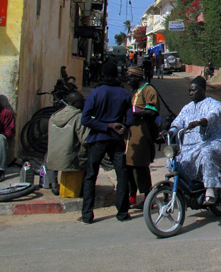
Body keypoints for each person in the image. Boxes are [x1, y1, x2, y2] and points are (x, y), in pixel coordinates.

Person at [80, 58, 132, 224]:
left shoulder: (96, 93)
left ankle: (87, 214)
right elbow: (129, 120)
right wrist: (119, 127)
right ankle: (122, 212)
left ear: (102, 74)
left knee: (91, 175)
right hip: (116, 139)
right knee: (121, 174)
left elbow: (85, 119)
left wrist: (106, 125)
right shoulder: (124, 93)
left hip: (97, 138)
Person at [170, 76, 221, 205]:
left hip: (211, 140)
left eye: (194, 90)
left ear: (203, 91)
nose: (191, 93)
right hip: (190, 145)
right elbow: (178, 121)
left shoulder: (212, 104)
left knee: (206, 151)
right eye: (189, 91)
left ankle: (210, 188)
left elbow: (216, 113)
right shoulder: (187, 107)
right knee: (174, 158)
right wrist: (171, 130)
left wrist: (202, 121)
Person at [124, 66, 160, 207]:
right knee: (129, 166)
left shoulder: (148, 90)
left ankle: (147, 198)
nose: (128, 81)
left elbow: (153, 112)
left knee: (140, 167)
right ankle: (132, 195)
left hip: (143, 134)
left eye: (130, 78)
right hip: (131, 135)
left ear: (136, 78)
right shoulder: (136, 92)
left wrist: (136, 113)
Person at [45, 91, 89, 195]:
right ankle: (82, 187)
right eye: (81, 102)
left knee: (48, 156)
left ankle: (53, 184)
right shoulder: (79, 117)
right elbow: (85, 140)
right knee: (89, 155)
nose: (83, 104)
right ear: (74, 103)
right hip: (70, 158)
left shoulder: (54, 116)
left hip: (52, 157)